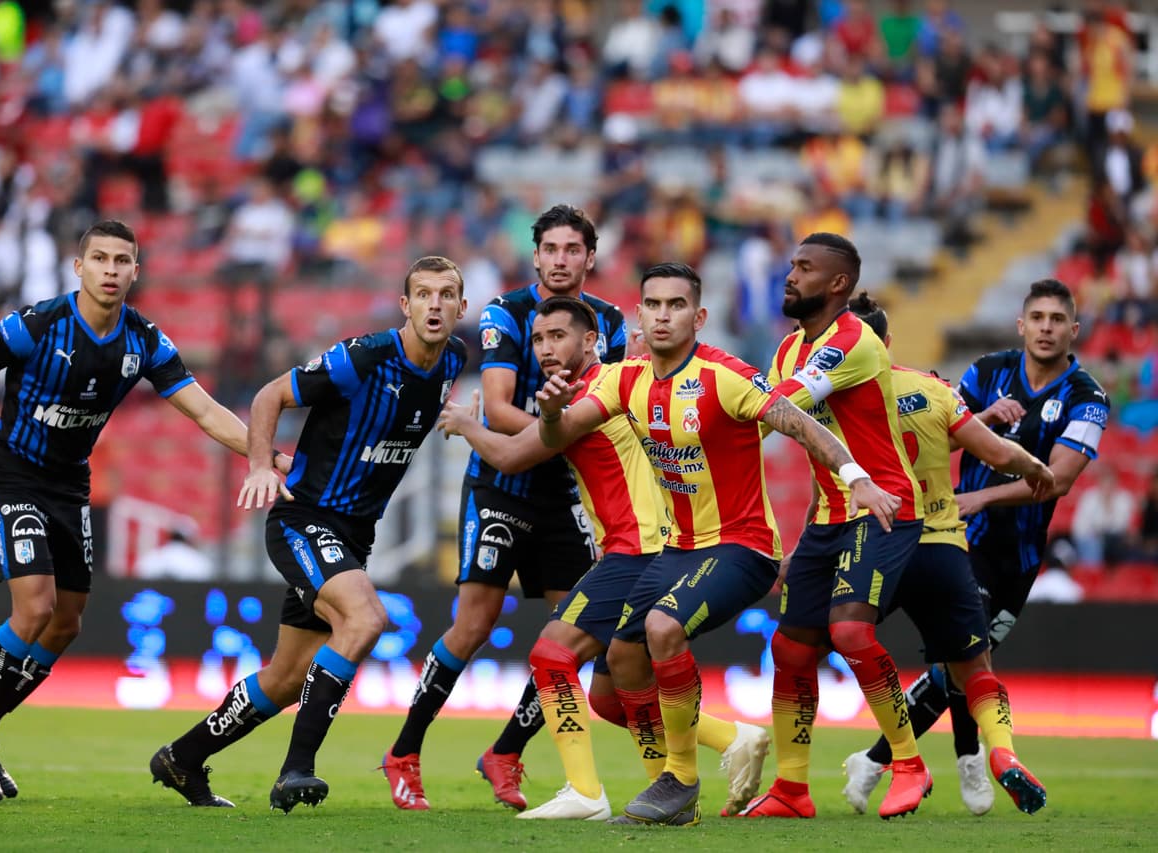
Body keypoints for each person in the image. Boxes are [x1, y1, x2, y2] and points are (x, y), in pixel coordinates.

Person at [0, 220, 291, 803]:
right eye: (99, 258)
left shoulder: (144, 341)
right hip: (11, 477)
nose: (110, 270)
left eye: (122, 260)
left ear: (135, 271)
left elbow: (203, 411)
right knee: (36, 606)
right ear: (80, 267)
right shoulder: (37, 324)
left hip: (70, 487)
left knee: (67, 622)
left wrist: (267, 454)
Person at [534, 262, 905, 825]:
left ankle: (682, 780)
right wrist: (553, 409)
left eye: (675, 306)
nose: (662, 316)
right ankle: (669, 792)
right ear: (639, 314)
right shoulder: (622, 378)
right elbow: (559, 435)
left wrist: (856, 477)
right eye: (653, 305)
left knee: (660, 628)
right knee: (623, 659)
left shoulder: (725, 375)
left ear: (698, 316)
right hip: (677, 549)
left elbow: (801, 425)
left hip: (744, 547)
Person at [150, 256, 468, 811]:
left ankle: (181, 757)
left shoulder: (454, 361)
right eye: (423, 294)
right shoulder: (364, 358)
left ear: (462, 308)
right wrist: (258, 465)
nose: (434, 305)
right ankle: (296, 769)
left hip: (352, 537)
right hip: (304, 519)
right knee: (366, 618)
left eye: (446, 295)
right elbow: (269, 395)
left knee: (287, 676)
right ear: (405, 304)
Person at [437, 294, 768, 821]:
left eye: (558, 337)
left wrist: (465, 423)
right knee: (611, 699)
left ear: (591, 342)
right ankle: (718, 749)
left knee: (552, 655)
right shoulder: (600, 390)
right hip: (640, 548)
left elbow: (512, 455)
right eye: (539, 340)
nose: (546, 349)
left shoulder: (603, 391)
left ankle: (587, 792)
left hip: (639, 551)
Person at [382, 205, 627, 812]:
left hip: (566, 495)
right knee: (473, 625)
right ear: (535, 254)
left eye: (574, 249)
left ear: (589, 258)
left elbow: (615, 404)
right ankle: (404, 752)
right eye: (551, 249)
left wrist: (565, 433)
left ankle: (506, 751)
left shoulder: (613, 322)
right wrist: (564, 432)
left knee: (577, 636)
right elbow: (494, 408)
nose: (562, 259)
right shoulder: (504, 313)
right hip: (500, 486)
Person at [843, 278, 1108, 815]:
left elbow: (1056, 480)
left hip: (1021, 555)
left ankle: (906, 759)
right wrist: (983, 422)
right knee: (964, 660)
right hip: (957, 539)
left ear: (1073, 330)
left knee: (961, 663)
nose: (1047, 328)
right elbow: (937, 426)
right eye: (1038, 318)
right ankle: (931, 762)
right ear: (1022, 324)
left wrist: (983, 496)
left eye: (1058, 320)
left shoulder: (1088, 398)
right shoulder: (986, 372)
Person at [740, 232, 930, 821]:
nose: (789, 276)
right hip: (827, 518)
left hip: (884, 508)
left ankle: (908, 765)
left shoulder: (852, 341)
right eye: (791, 265)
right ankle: (792, 791)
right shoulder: (788, 347)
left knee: (849, 633)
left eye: (803, 268)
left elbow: (784, 406)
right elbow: (761, 425)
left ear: (838, 283)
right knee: (791, 648)